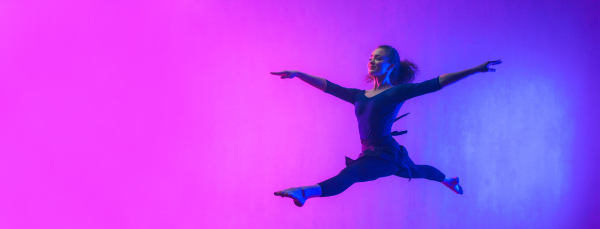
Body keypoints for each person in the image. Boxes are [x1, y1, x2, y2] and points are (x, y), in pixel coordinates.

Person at [271, 45, 502, 207]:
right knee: (417, 170)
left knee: (351, 174)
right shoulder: (359, 95)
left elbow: (436, 83)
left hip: (386, 155)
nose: (372, 60)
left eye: (379, 58)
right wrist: (299, 74)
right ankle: (448, 180)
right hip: (373, 153)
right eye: (371, 57)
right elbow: (329, 87)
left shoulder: (397, 92)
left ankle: (306, 192)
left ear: (392, 65)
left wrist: (474, 69)